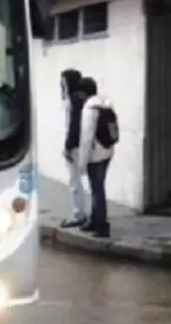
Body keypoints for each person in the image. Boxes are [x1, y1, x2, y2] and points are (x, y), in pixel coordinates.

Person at [75, 76, 117, 238]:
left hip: (95, 155)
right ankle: (94, 220)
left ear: (83, 93)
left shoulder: (89, 108)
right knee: (97, 187)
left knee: (97, 190)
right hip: (107, 151)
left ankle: (102, 225)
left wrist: (82, 162)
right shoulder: (106, 104)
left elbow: (86, 137)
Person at [60, 69, 88, 228]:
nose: (61, 84)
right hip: (80, 144)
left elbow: (74, 125)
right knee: (82, 180)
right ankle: (84, 213)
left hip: (74, 145)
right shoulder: (80, 98)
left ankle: (78, 214)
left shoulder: (74, 99)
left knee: (74, 180)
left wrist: (68, 146)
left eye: (64, 81)